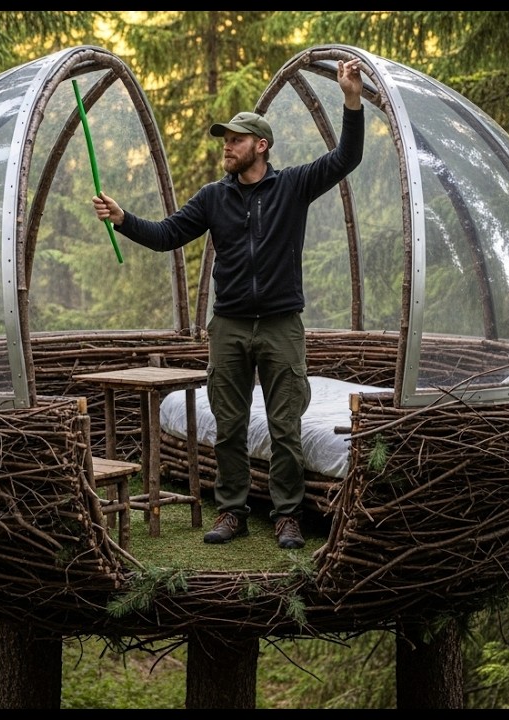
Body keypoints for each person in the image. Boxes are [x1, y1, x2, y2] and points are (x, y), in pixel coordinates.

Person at [93, 58, 365, 549]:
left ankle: (286, 517)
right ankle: (233, 512)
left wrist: (349, 99)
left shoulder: (293, 186)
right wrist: (122, 218)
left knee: (285, 426)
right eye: (225, 140)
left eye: (236, 139)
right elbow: (167, 234)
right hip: (230, 326)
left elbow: (345, 158)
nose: (227, 146)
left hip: (281, 325)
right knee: (229, 425)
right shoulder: (212, 198)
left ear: (261, 146)